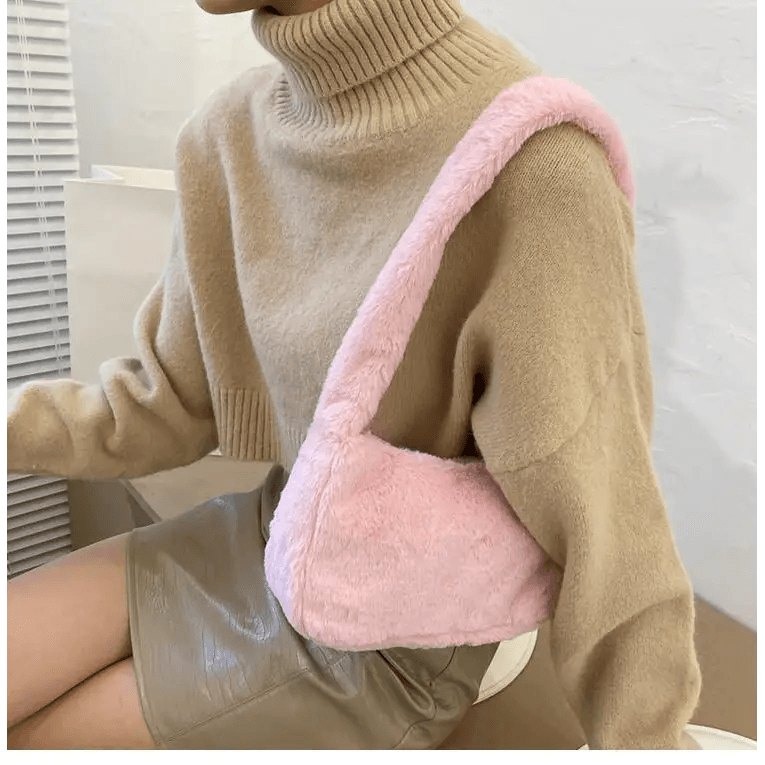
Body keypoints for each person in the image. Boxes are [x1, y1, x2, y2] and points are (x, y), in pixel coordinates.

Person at [6, 0, 702, 750]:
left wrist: (646, 741)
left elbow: (603, 512)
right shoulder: (226, 134)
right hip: (266, 539)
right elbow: (164, 404)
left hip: (393, 636)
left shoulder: (532, 167)